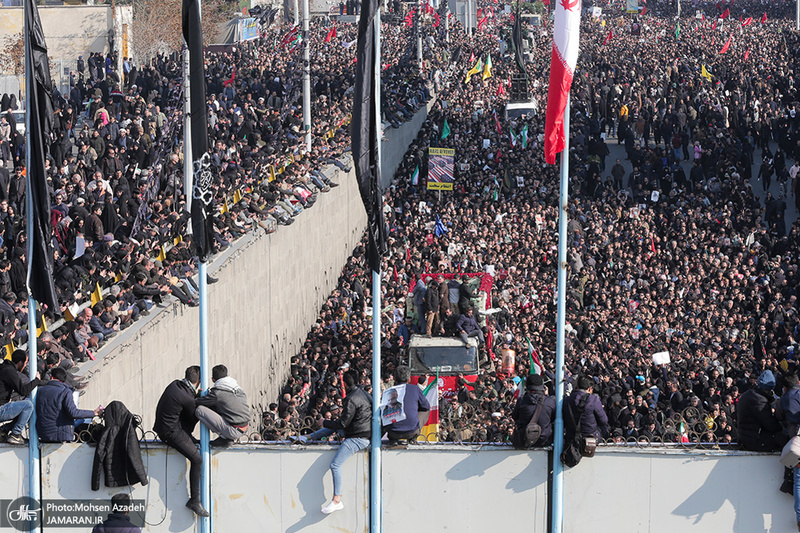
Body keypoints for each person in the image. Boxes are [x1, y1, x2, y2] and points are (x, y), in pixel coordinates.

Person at [299, 370, 371, 515]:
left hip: (357, 437)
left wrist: (324, 422)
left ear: (343, 382)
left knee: (335, 465)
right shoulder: (365, 394)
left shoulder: (351, 398)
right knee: (331, 427)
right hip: (362, 432)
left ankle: (336, 500)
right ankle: (308, 437)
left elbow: (343, 423)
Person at [153, 366, 208, 517]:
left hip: (165, 426)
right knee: (197, 459)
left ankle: (188, 439)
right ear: (198, 382)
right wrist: (199, 399)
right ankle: (194, 500)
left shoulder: (175, 384)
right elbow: (193, 416)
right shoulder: (188, 398)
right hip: (170, 432)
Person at [35, 367, 102, 443]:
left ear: (51, 377)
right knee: (86, 419)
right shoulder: (65, 392)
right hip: (60, 434)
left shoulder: (40, 390)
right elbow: (73, 413)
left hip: (42, 433)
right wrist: (94, 413)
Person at [195, 364, 250, 447]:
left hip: (234, 430)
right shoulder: (237, 387)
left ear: (213, 379)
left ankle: (224, 437)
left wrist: (197, 395)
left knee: (200, 410)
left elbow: (198, 402)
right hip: (244, 427)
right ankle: (226, 435)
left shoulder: (217, 393)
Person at [0, 350, 41, 444]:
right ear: (20, 363)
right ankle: (15, 434)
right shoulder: (9, 371)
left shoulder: (4, 368)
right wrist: (36, 381)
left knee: (22, 409)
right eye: (25, 363)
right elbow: (23, 390)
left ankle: (4, 429)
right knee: (28, 406)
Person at [737, 370, 784, 452]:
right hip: (755, 439)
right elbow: (771, 425)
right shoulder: (759, 400)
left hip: (746, 436)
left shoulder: (749, 394)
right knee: (785, 439)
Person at [381, 365, 429, 443]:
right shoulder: (415, 389)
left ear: (394, 378)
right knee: (426, 411)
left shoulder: (388, 391)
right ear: (409, 379)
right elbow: (426, 406)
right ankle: (414, 436)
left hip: (392, 432)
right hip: (411, 431)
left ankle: (393, 439)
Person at [512, 374, 556, 448]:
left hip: (525, 440)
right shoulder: (549, 401)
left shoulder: (521, 400)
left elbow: (515, 417)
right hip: (545, 441)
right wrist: (547, 396)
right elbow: (553, 418)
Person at [565, 376, 609, 441]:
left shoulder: (567, 400)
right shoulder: (593, 400)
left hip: (572, 437)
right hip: (590, 438)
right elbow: (603, 420)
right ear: (590, 389)